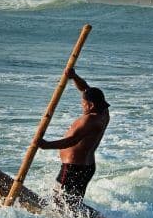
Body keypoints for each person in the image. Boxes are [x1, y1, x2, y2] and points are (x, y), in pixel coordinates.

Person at [37, 68, 109, 209]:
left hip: (73, 168)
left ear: (91, 105)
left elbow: (72, 141)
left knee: (59, 203)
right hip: (85, 167)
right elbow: (86, 89)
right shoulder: (103, 111)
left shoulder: (90, 120)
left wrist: (45, 145)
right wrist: (74, 77)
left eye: (83, 103)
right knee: (73, 205)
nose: (82, 105)